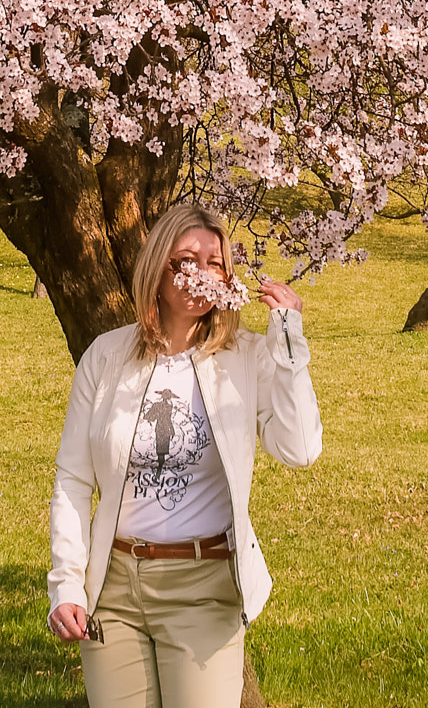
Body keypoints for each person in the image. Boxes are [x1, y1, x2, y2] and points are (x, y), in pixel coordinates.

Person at [46, 201, 322, 708]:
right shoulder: (106, 357)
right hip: (113, 590)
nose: (203, 273)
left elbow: (300, 449)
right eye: (187, 260)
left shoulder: (248, 358)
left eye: (216, 263)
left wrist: (288, 342)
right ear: (158, 268)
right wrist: (66, 584)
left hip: (204, 587)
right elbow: (72, 479)